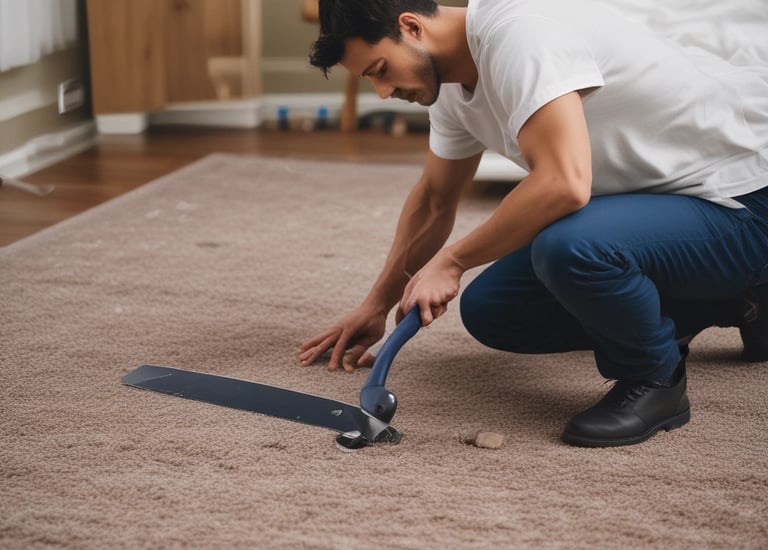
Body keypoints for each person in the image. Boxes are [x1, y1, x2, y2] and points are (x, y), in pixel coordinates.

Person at [298, 0, 768, 447]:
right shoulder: (449, 86)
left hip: (743, 198)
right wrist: (377, 303)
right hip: (666, 205)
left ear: (411, 27)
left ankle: (656, 379)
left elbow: (565, 184)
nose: (382, 93)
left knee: (571, 249)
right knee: (494, 310)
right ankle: (741, 301)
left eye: (380, 71)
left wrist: (454, 259)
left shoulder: (519, 31)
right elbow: (434, 201)